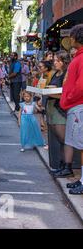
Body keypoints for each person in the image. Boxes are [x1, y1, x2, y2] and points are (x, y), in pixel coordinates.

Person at [60, 25, 83, 194]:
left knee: (82, 146)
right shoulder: (79, 57)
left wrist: (68, 98)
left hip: (78, 106)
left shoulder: (81, 58)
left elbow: (80, 86)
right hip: (76, 105)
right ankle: (82, 179)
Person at [45, 51, 73, 177]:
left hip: (59, 108)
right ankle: (62, 165)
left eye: (57, 60)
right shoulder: (56, 73)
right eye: (54, 60)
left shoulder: (66, 74)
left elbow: (65, 92)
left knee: (64, 139)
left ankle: (67, 166)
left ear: (64, 62)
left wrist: (49, 92)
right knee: (59, 138)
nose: (54, 62)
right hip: (52, 106)